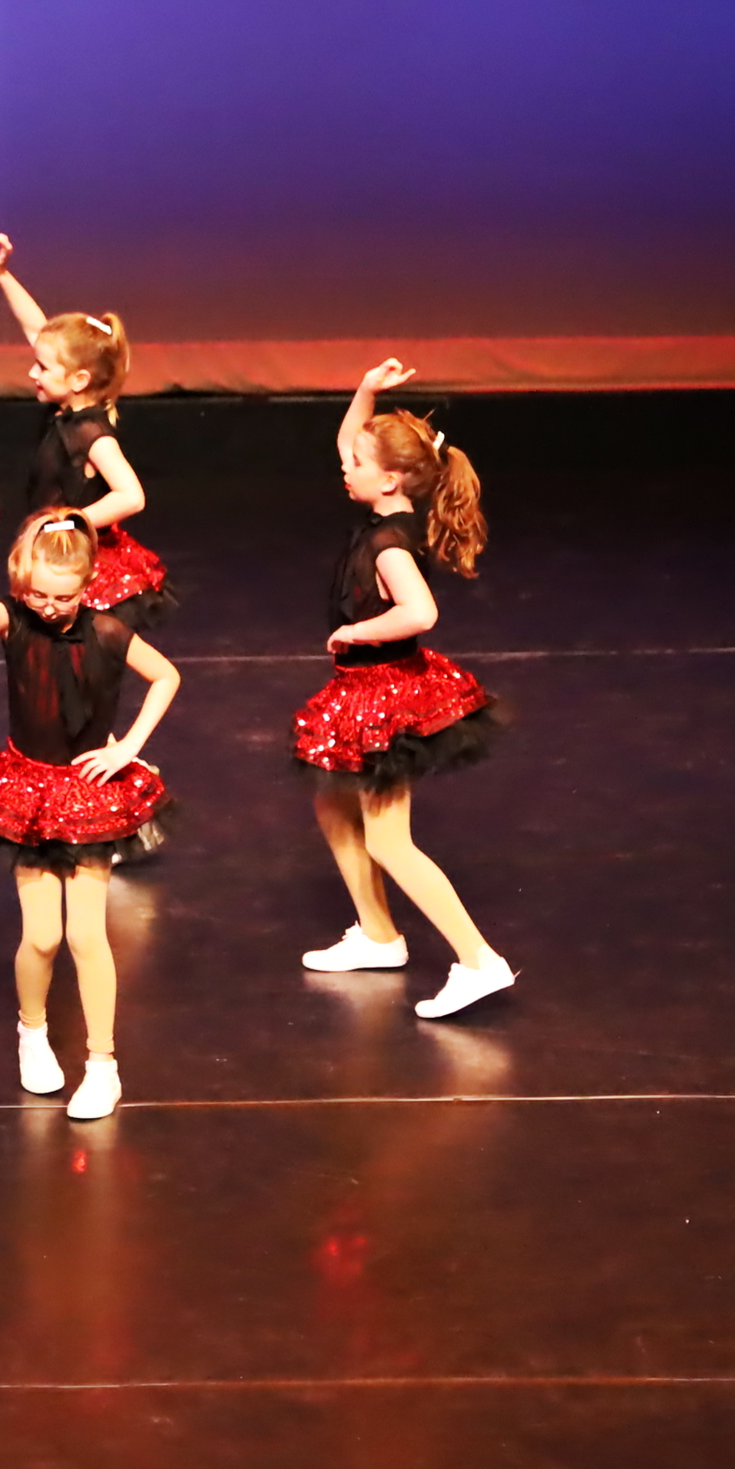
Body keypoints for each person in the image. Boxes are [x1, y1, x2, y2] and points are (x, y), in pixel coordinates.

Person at [0, 483, 181, 1118]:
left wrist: (129, 746)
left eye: (64, 597)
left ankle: (103, 1065)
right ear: (24, 585)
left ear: (87, 584)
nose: (50, 608)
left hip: (88, 795)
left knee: (86, 934)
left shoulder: (108, 631)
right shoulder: (15, 623)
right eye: (39, 595)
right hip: (28, 791)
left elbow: (166, 675)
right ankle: (32, 1032)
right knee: (43, 935)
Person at [295, 358, 514, 1018]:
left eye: (358, 462)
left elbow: (420, 613)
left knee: (390, 839)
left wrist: (356, 631)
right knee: (332, 802)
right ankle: (378, 934)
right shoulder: (385, 509)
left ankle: (478, 960)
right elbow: (348, 441)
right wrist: (365, 390)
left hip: (385, 696)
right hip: (366, 687)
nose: (345, 464)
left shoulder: (390, 544)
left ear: (388, 479)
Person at [0, 231, 173, 630]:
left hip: (84, 564)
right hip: (59, 552)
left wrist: (69, 520)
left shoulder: (90, 433)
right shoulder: (66, 408)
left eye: (43, 368)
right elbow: (38, 330)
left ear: (79, 379)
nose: (32, 372)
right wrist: (3, 275)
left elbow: (131, 496)